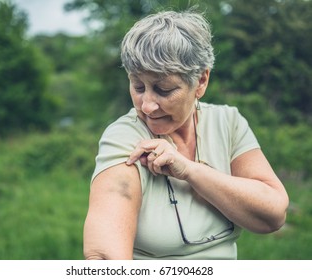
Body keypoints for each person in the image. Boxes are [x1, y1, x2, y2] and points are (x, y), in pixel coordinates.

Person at [83, 9, 289, 260]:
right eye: (138, 86)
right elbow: (104, 256)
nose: (147, 105)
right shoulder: (124, 138)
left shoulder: (227, 121)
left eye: (164, 89)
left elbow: (273, 215)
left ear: (201, 81)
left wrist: (190, 171)